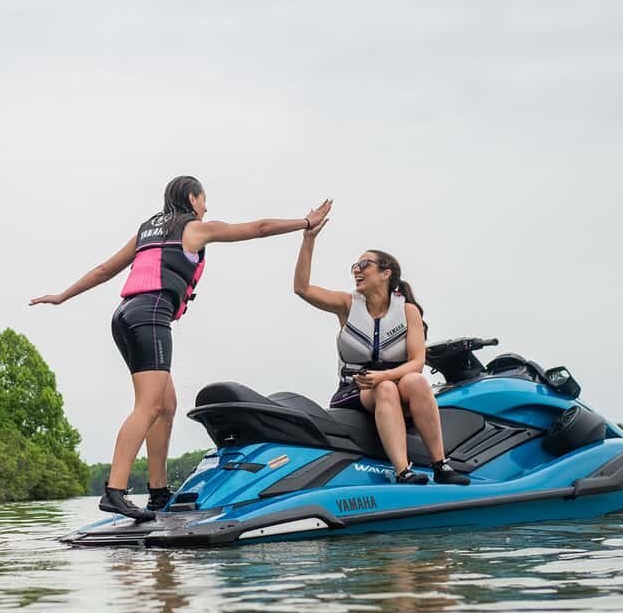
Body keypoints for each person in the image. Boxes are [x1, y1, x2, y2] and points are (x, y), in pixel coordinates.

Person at [31, 175, 332, 520]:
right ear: (191, 198)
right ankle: (115, 491)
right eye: (204, 199)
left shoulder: (147, 231)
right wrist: (305, 222)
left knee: (166, 405)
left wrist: (62, 296)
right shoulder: (192, 229)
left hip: (125, 316)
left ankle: (158, 492)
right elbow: (258, 228)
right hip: (151, 314)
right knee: (149, 406)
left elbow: (103, 271)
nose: (206, 207)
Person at [292, 215, 470, 485]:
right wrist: (309, 238)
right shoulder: (346, 305)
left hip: (398, 385)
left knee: (416, 380)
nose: (357, 270)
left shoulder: (408, 311)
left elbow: (417, 362)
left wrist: (385, 376)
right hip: (356, 391)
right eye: (355, 266)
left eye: (365, 264)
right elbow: (302, 288)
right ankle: (402, 471)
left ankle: (440, 465)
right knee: (386, 389)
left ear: (386, 274)